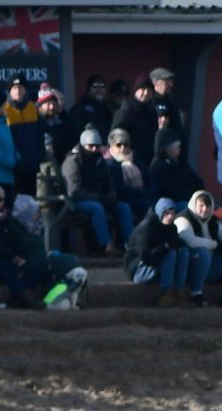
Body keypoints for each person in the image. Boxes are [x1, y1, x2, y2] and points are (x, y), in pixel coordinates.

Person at [61, 127, 129, 256]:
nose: (94, 150)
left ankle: (130, 245)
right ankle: (105, 245)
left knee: (122, 207)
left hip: (98, 199)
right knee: (96, 208)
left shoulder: (100, 161)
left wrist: (111, 196)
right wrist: (98, 198)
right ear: (83, 145)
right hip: (75, 202)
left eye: (97, 146)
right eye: (90, 146)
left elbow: (109, 184)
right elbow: (74, 191)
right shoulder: (73, 162)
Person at [174, 190, 222, 307]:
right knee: (202, 252)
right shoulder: (183, 219)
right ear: (194, 205)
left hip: (210, 267)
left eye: (208, 206)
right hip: (189, 268)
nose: (205, 209)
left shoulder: (213, 221)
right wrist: (216, 245)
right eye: (201, 205)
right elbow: (191, 241)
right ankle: (196, 293)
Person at [127, 197, 188, 306]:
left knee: (183, 251)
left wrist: (178, 243)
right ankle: (166, 294)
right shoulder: (146, 228)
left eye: (172, 214)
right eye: (166, 213)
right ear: (160, 212)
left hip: (157, 264)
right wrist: (166, 246)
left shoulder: (171, 227)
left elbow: (177, 243)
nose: (170, 217)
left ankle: (180, 291)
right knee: (170, 253)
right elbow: (146, 258)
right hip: (139, 269)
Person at [68, 75, 114, 141]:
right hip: (89, 147)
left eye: (102, 87)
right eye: (95, 87)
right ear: (88, 89)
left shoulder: (108, 108)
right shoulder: (79, 109)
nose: (99, 90)